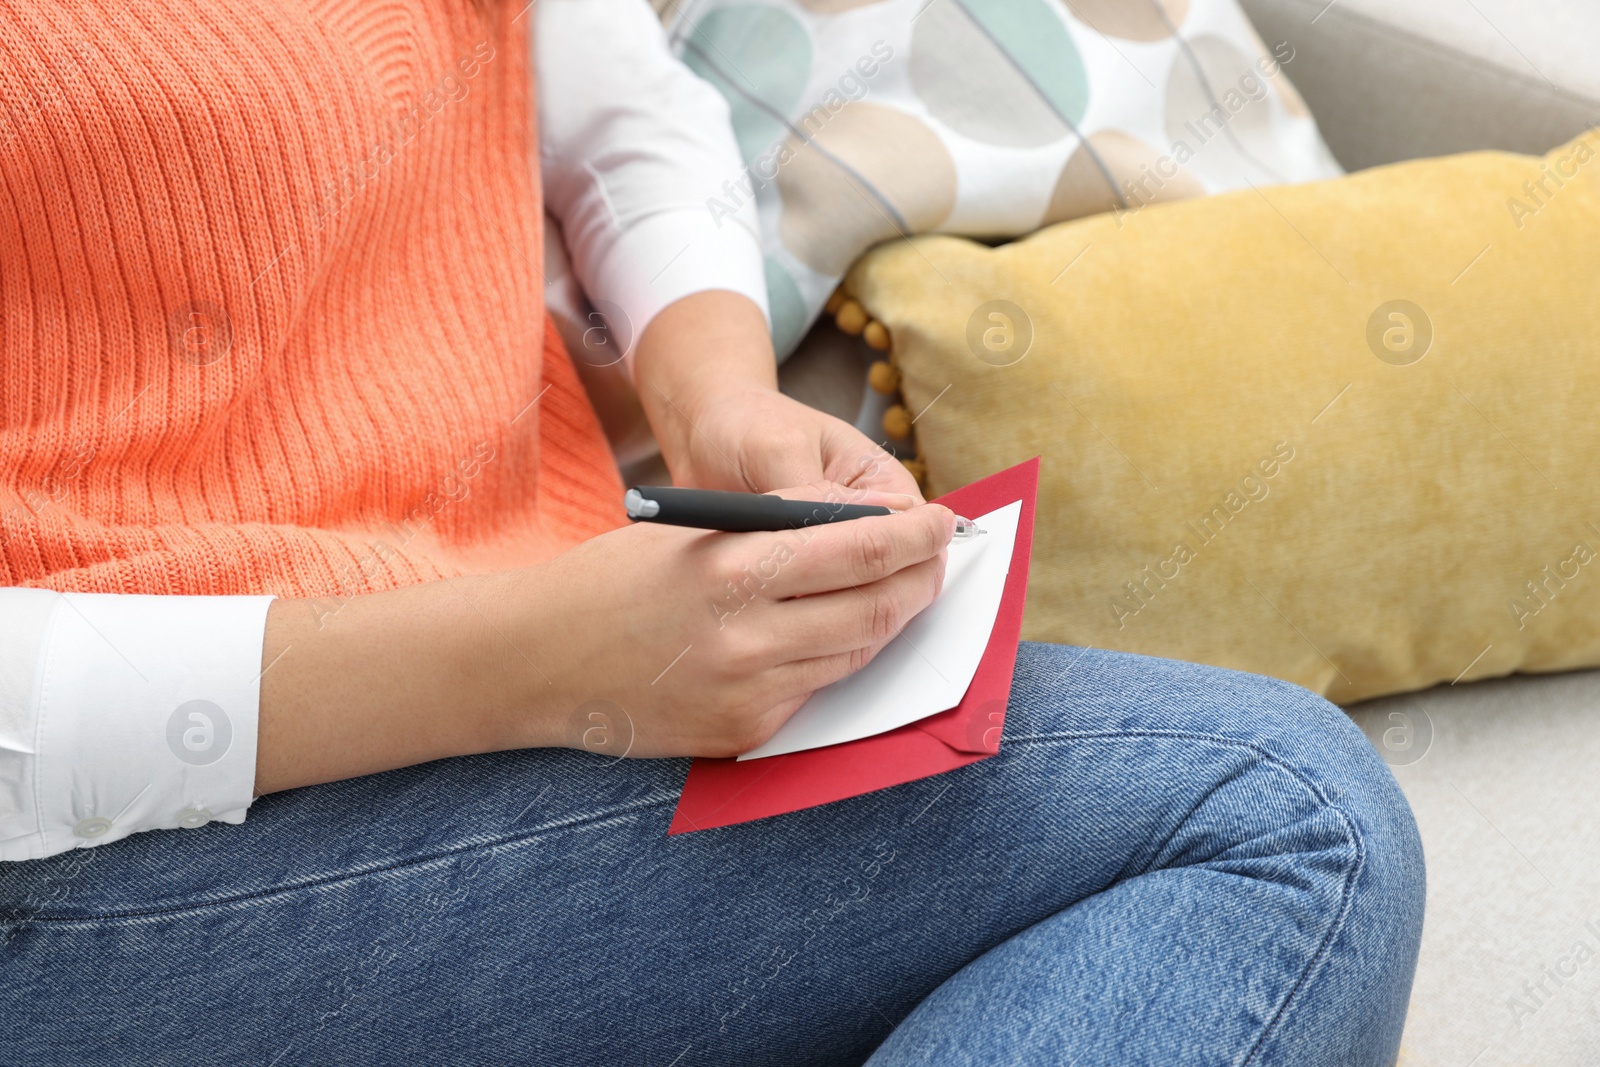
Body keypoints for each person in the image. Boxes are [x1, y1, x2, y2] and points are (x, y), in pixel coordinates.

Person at [0, 1, 1424, 1063]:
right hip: (120, 840)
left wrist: (716, 397)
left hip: (526, 658)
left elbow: (613, 106)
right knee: (1276, 823)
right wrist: (530, 665)